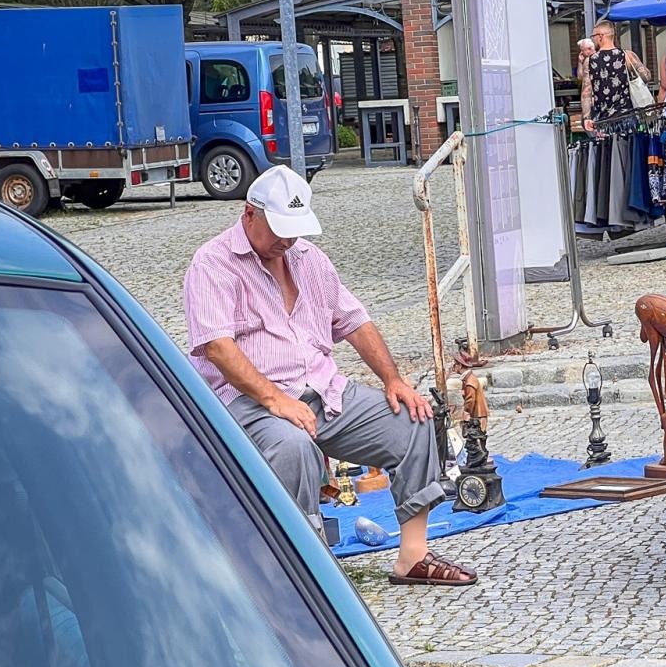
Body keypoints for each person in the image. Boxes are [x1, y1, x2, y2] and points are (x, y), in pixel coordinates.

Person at [182, 165, 477, 587]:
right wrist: (274, 399)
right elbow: (216, 347)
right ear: (249, 214)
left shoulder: (308, 257)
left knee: (413, 421)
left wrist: (393, 380)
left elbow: (356, 322)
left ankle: (412, 557)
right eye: (279, 229)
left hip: (324, 391)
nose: (287, 240)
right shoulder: (212, 263)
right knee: (294, 449)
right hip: (248, 402)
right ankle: (304, 569)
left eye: (294, 230)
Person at [581, 18, 651, 135]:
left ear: (600, 36)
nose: (593, 39)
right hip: (628, 117)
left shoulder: (590, 61)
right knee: (630, 151)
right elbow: (646, 76)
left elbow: (586, 92)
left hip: (603, 121)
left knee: (608, 152)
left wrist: (586, 117)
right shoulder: (627, 56)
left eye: (594, 36)